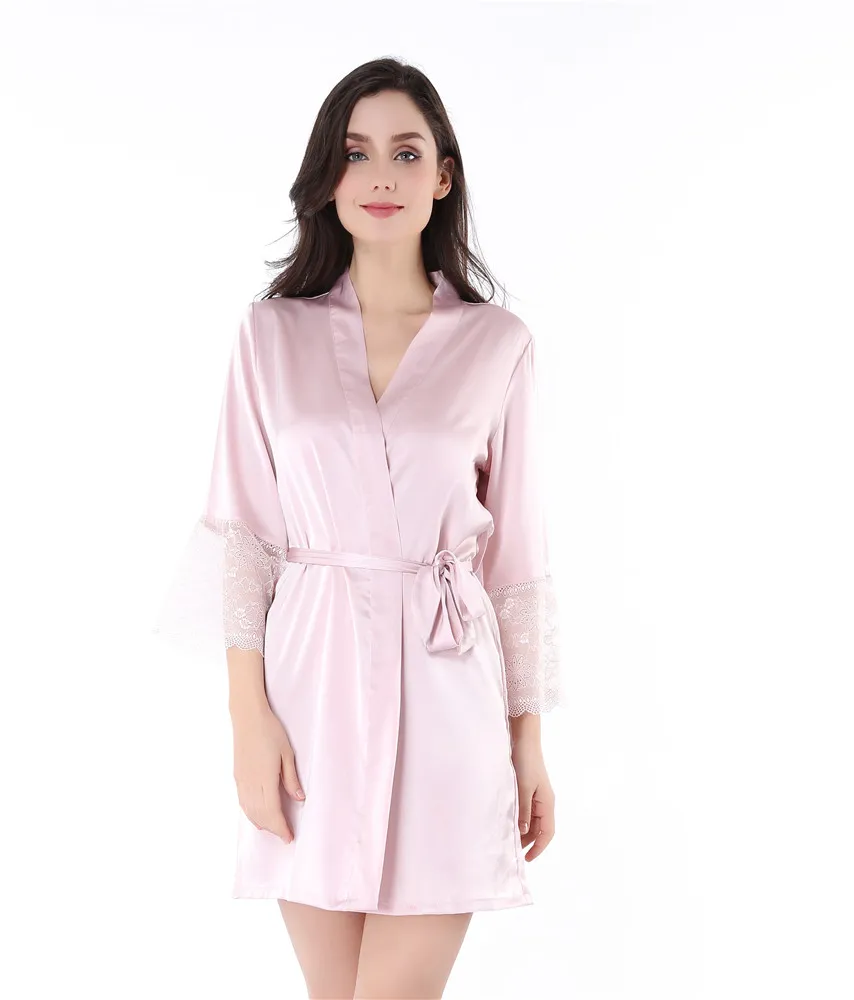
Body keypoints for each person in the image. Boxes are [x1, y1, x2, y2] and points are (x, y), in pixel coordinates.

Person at [153, 57, 561, 999]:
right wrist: (247, 721)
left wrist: (528, 740)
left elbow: (516, 561)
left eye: (406, 153)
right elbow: (246, 537)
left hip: (450, 695)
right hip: (312, 693)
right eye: (356, 152)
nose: (382, 175)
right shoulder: (270, 334)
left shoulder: (498, 345)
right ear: (328, 177)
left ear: (442, 176)